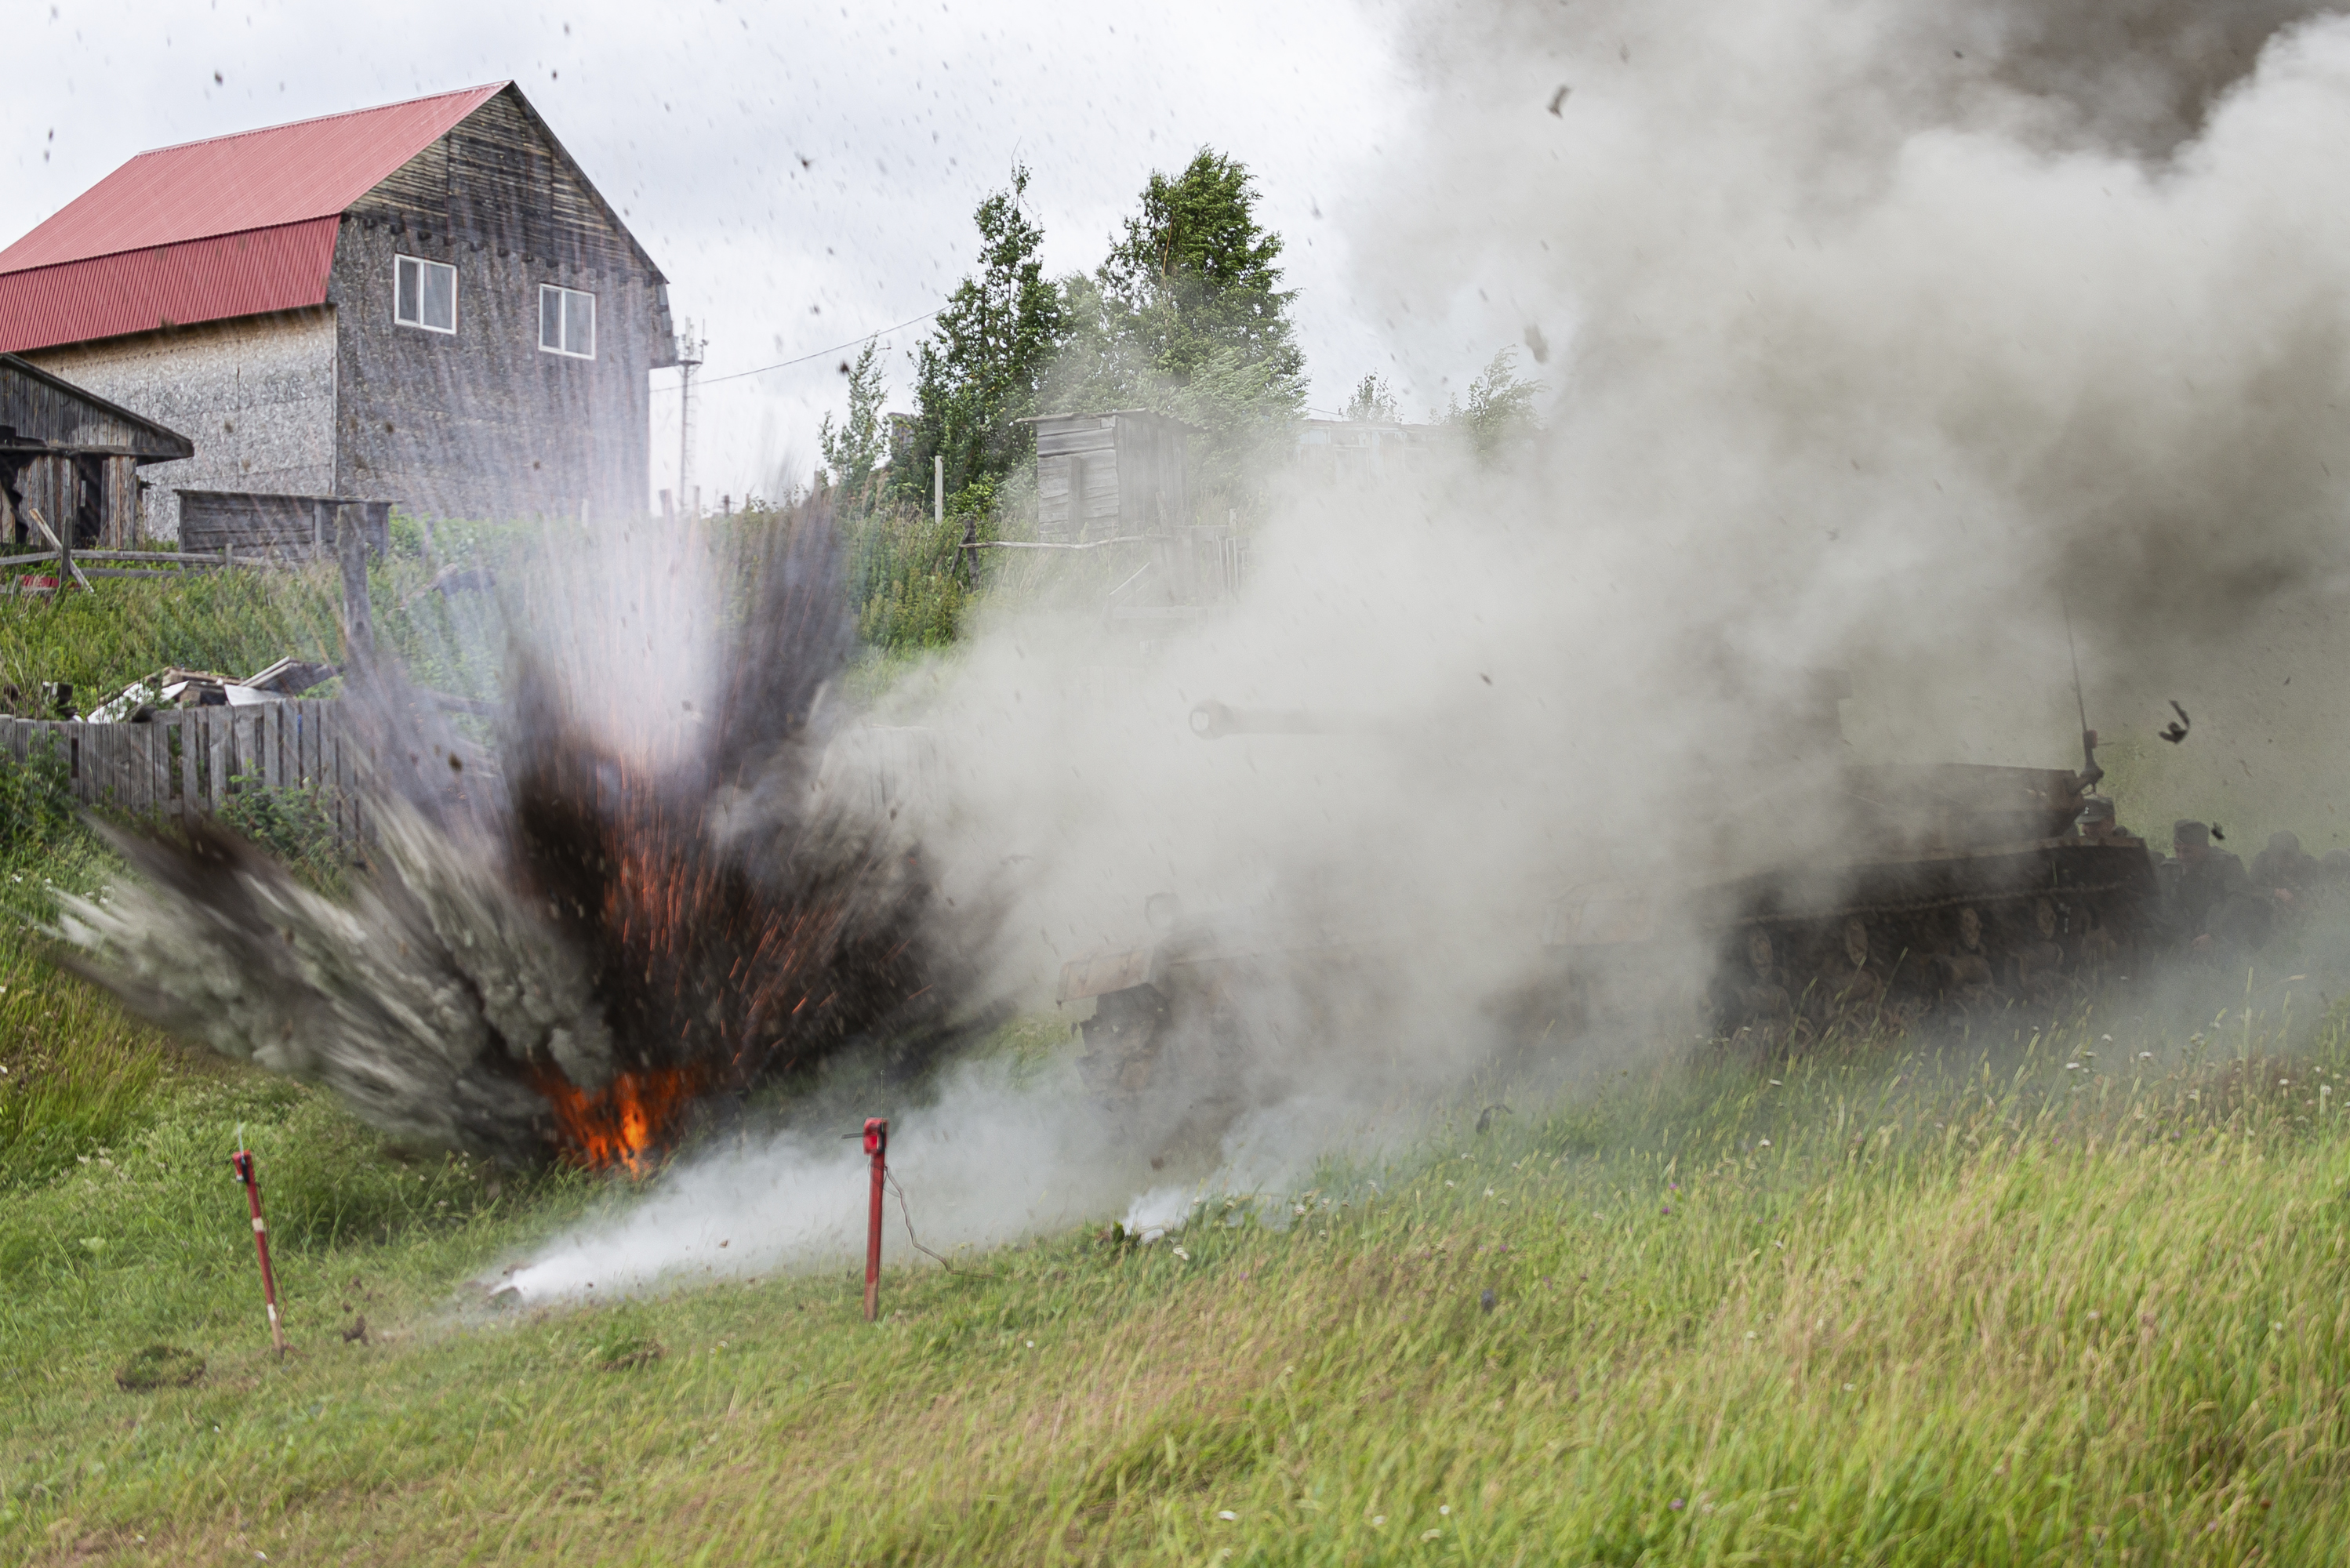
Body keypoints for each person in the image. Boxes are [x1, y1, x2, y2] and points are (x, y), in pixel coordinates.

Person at [2165, 820, 2267, 954]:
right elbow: (2167, 906)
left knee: (2217, 908)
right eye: (2177, 850)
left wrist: (2213, 935)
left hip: (2225, 930)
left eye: (2188, 851)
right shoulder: (2171, 869)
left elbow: (2239, 900)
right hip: (2191, 932)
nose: (2181, 857)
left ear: (2205, 847)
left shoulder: (2227, 865)